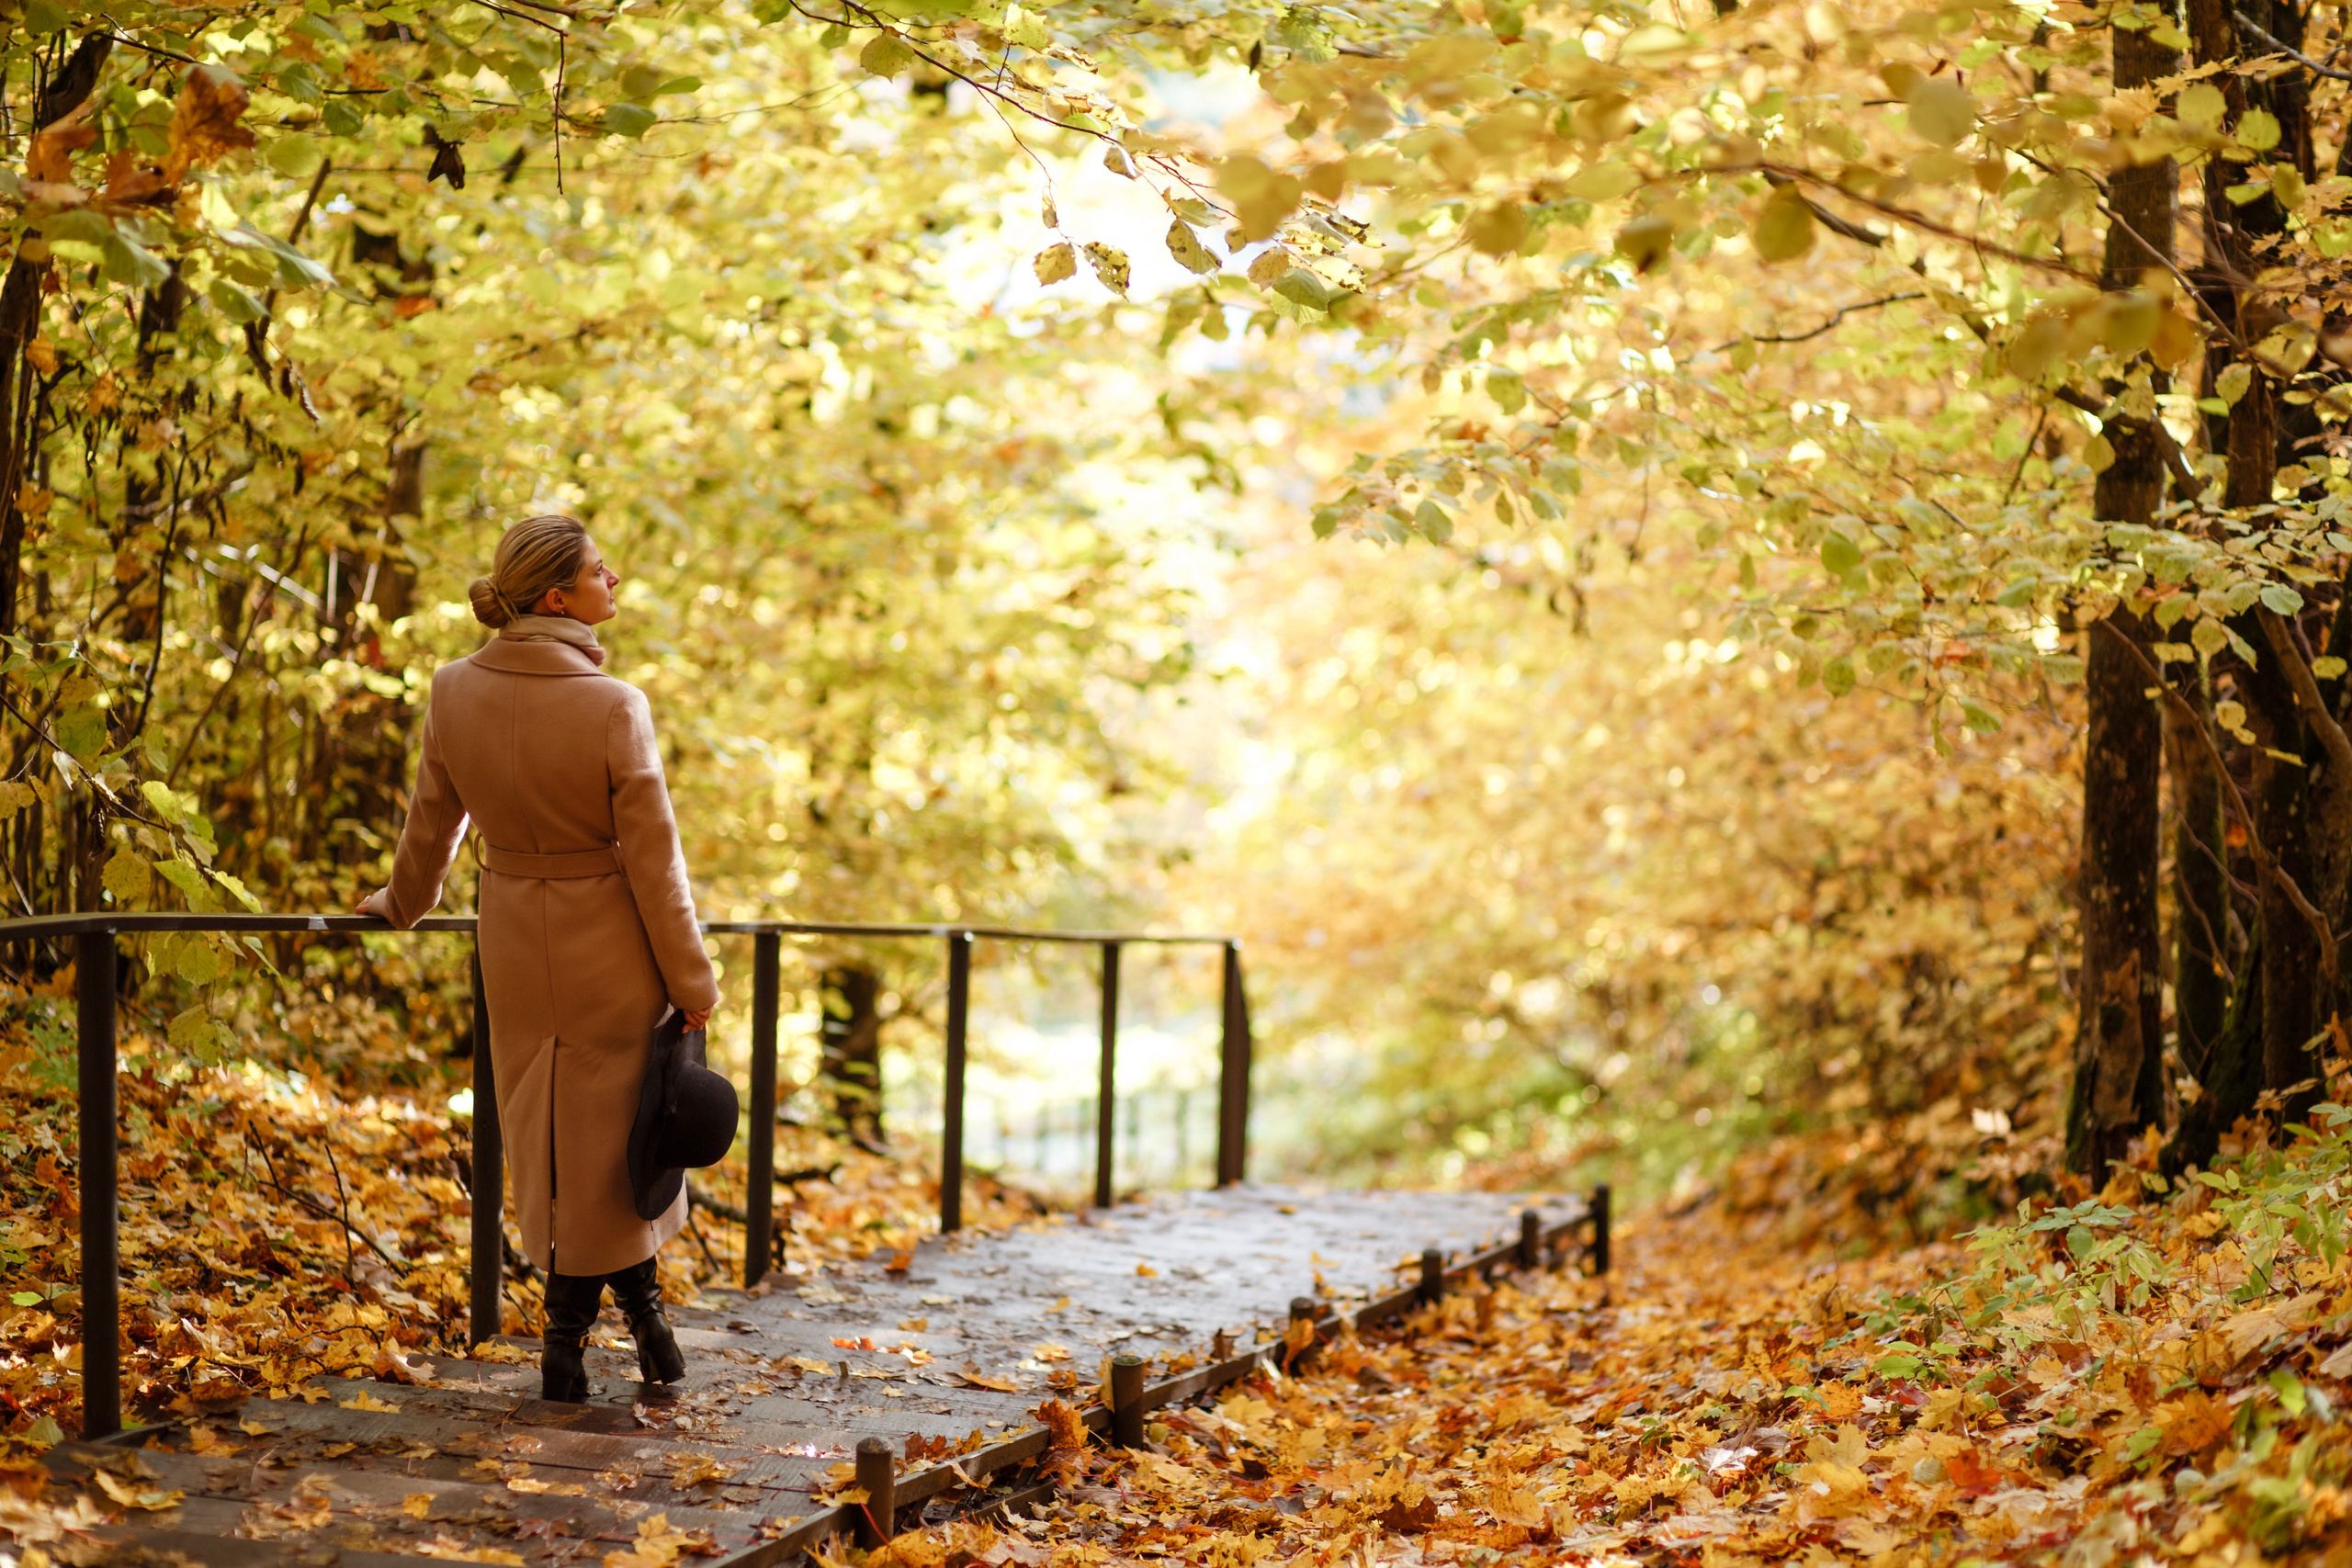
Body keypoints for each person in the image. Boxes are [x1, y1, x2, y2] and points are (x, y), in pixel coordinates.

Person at [356, 514, 718, 1402]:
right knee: (615, 1143)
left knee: (551, 1138)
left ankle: (633, 1331)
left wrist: (397, 906)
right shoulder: (613, 705)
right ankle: (592, 1338)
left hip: (512, 939)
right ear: (558, 596)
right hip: (610, 944)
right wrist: (693, 981)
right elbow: (655, 862)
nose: (616, 578)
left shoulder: (452, 689)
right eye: (602, 569)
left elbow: (431, 829)